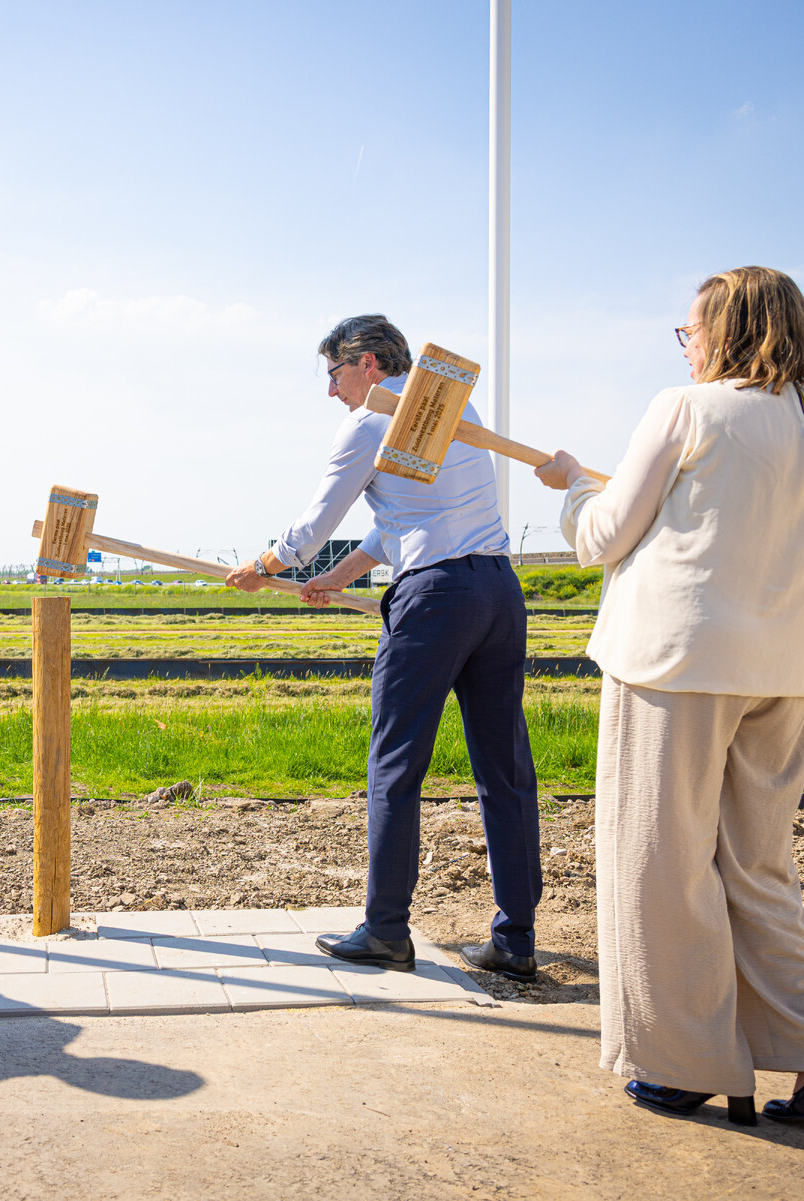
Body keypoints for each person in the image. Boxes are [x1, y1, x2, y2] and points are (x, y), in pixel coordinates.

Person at [534, 266, 804, 1124]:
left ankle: (688, 1060)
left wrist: (572, 485)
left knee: (660, 868)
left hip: (674, 666)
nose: (685, 344)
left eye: (690, 329)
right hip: (788, 674)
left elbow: (604, 535)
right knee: (757, 868)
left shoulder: (684, 407)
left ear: (727, 331)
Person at [227, 314, 542, 981]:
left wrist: (267, 564)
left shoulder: (370, 421)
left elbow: (314, 524)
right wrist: (337, 579)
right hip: (497, 591)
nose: (333, 391)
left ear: (368, 363)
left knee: (395, 763)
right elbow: (403, 517)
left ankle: (386, 928)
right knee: (504, 767)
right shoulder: (450, 408)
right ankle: (516, 938)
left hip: (434, 601)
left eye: (335, 374)